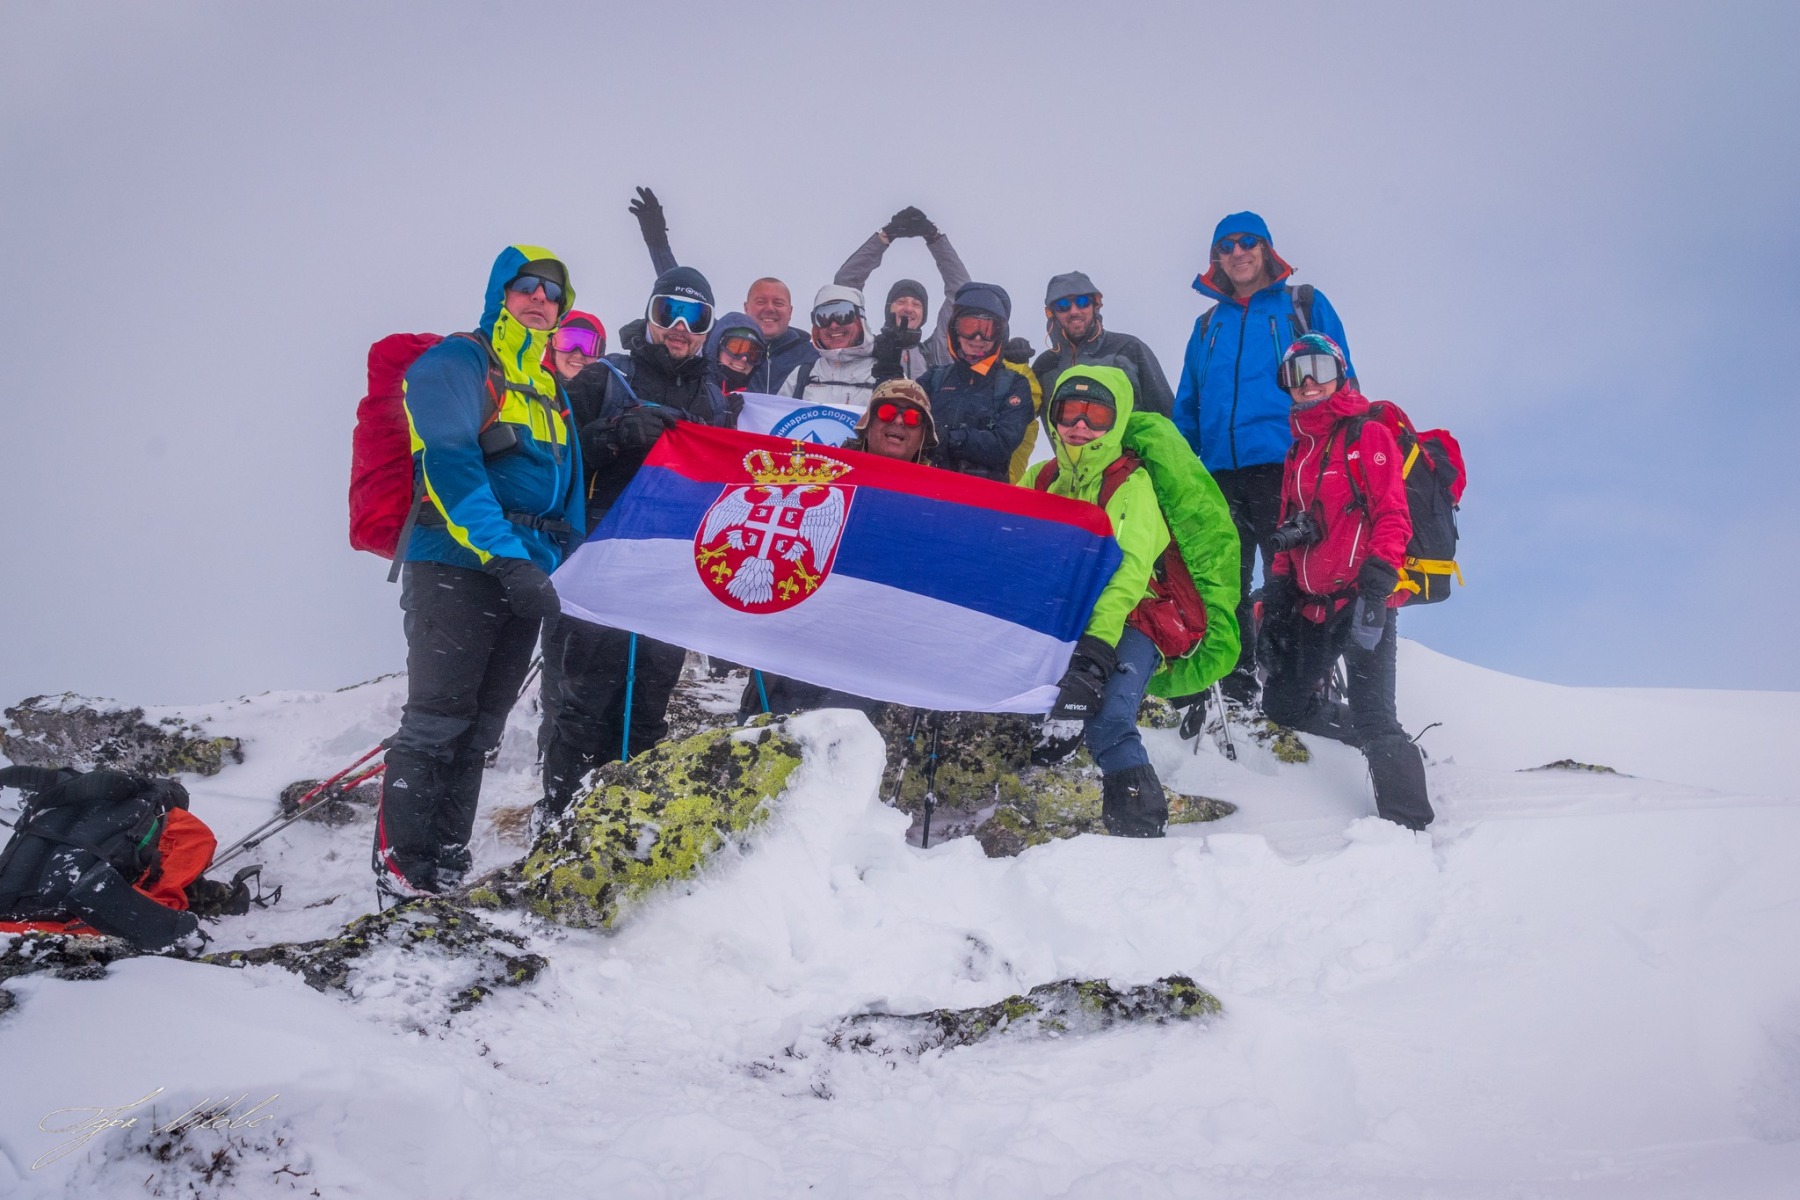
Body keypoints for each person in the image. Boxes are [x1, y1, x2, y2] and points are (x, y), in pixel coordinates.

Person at [377, 245, 584, 901]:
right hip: (456, 565)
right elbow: (449, 463)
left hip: (523, 574)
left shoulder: (548, 387)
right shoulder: (459, 362)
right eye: (527, 286)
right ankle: (403, 867)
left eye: (553, 292)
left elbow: (568, 496)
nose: (540, 299)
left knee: (480, 730)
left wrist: (566, 569)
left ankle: (446, 863)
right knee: (437, 720)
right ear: (501, 292)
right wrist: (505, 556)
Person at [538, 266, 733, 821]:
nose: (679, 327)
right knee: (585, 698)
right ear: (649, 315)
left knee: (649, 702)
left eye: (695, 317)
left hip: (671, 564)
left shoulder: (715, 400)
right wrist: (614, 435)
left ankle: (625, 821)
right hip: (603, 553)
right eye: (668, 311)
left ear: (706, 329)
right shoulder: (604, 377)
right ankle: (562, 818)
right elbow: (554, 455)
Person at [1173, 211, 1356, 707]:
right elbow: (1188, 403)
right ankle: (1234, 681)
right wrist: (1177, 467)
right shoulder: (1207, 325)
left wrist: (1344, 453)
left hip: (1290, 462)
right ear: (1216, 258)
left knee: (1290, 577)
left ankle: (1292, 685)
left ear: (1266, 248)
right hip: (1219, 472)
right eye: (1226, 245)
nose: (1238, 252)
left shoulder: (1302, 304)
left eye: (1247, 242)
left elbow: (1344, 379)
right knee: (1223, 576)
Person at [1256, 333, 1432, 831]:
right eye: (1296, 373)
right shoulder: (1298, 451)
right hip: (1313, 604)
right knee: (1284, 704)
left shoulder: (1366, 435)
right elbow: (1290, 528)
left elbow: (1393, 513)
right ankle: (1364, 740)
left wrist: (1378, 583)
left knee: (1375, 714)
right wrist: (1279, 591)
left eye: (1320, 369)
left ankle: (1409, 825)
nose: (1309, 382)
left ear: (1341, 374)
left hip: (1363, 599)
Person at [738, 378, 937, 721]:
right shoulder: (821, 477)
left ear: (923, 436)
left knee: (842, 733)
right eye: (887, 412)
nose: (899, 422)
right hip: (804, 624)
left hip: (874, 643)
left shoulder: (938, 501)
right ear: (868, 423)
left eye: (913, 418)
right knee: (768, 727)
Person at [1035, 366, 1175, 837]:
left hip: (1133, 615)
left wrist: (1094, 653)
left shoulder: (1131, 485)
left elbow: (1129, 574)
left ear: (1116, 422)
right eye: (1069, 411)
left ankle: (1141, 827)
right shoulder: (1040, 477)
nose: (1080, 425)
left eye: (1096, 415)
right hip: (1060, 613)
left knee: (1108, 711)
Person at [627, 185, 816, 391]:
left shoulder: (809, 354)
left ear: (790, 311)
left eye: (778, 303)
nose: (769, 308)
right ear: (746, 308)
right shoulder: (717, 339)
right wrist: (657, 242)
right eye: (760, 301)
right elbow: (684, 296)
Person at [918, 282, 1038, 482]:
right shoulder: (934, 378)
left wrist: (948, 438)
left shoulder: (1014, 385)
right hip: (929, 487)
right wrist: (887, 370)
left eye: (988, 329)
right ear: (955, 330)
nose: (977, 337)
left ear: (1000, 335)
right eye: (969, 326)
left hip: (984, 494)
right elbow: (901, 417)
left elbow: (1003, 443)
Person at [833, 207, 970, 373]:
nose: (908, 308)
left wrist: (934, 237)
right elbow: (845, 282)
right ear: (888, 309)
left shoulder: (936, 354)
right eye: (901, 301)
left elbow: (962, 292)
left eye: (917, 304)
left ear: (924, 314)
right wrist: (885, 236)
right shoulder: (864, 348)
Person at [1029, 271, 1175, 418]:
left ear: (1095, 305)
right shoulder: (1044, 366)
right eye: (1063, 305)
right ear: (1052, 313)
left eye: (1082, 302)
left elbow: (1167, 413)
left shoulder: (1128, 349)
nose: (1074, 311)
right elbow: (1020, 414)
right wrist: (1016, 365)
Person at [778, 285, 915, 406]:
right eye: (823, 317)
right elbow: (778, 422)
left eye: (844, 315)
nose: (834, 325)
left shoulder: (885, 373)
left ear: (860, 321)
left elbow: (905, 420)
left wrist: (891, 379)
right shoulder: (802, 376)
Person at [545, 310, 606, 381]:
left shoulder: (611, 386)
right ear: (552, 350)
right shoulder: (535, 383)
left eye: (588, 346)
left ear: (600, 355)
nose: (578, 355)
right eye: (567, 343)